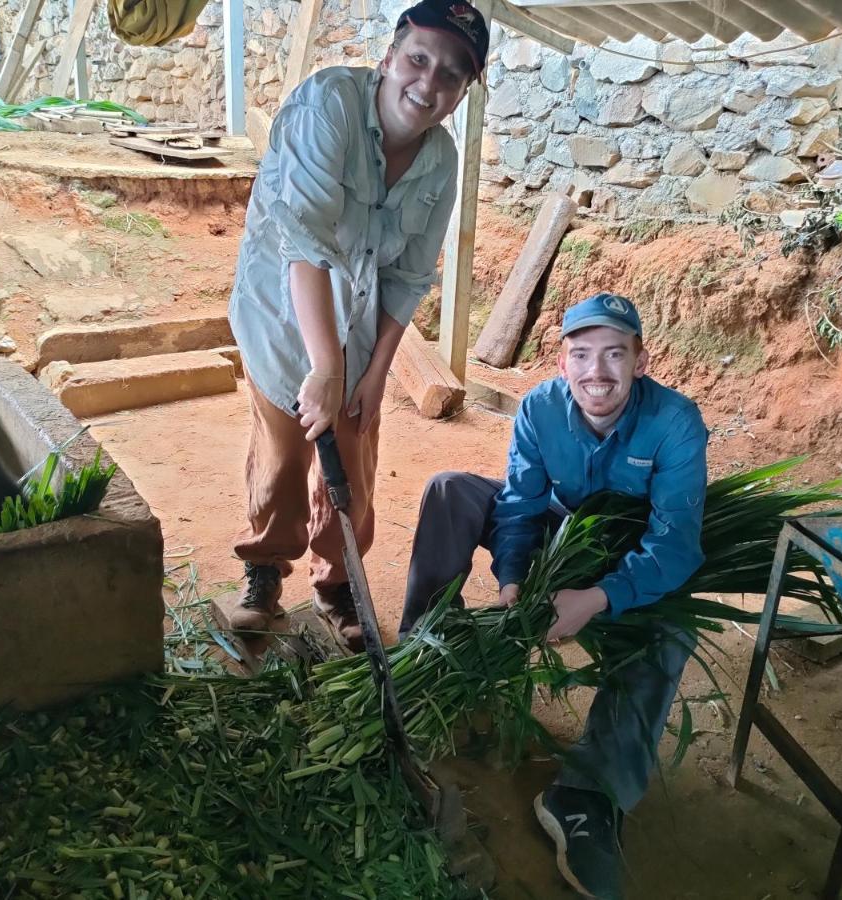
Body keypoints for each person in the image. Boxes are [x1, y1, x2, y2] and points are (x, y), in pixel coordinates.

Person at [399, 293, 709, 899]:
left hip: (621, 560)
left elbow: (674, 545)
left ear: (640, 361)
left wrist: (596, 598)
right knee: (450, 490)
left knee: (672, 629)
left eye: (615, 354)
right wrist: (513, 577)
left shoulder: (675, 422)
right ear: (563, 362)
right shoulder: (541, 408)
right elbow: (519, 501)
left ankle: (585, 795)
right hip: (552, 538)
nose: (598, 372)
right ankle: (426, 663)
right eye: (583, 355)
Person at [225, 0, 490, 650]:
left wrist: (371, 375)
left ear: (462, 92)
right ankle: (264, 569)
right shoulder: (330, 106)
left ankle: (336, 582)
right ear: (389, 56)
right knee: (286, 450)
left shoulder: (441, 161)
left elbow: (409, 277)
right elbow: (305, 244)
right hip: (283, 315)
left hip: (360, 333)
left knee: (355, 462)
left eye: (452, 74)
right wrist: (325, 366)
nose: (429, 83)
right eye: (420, 59)